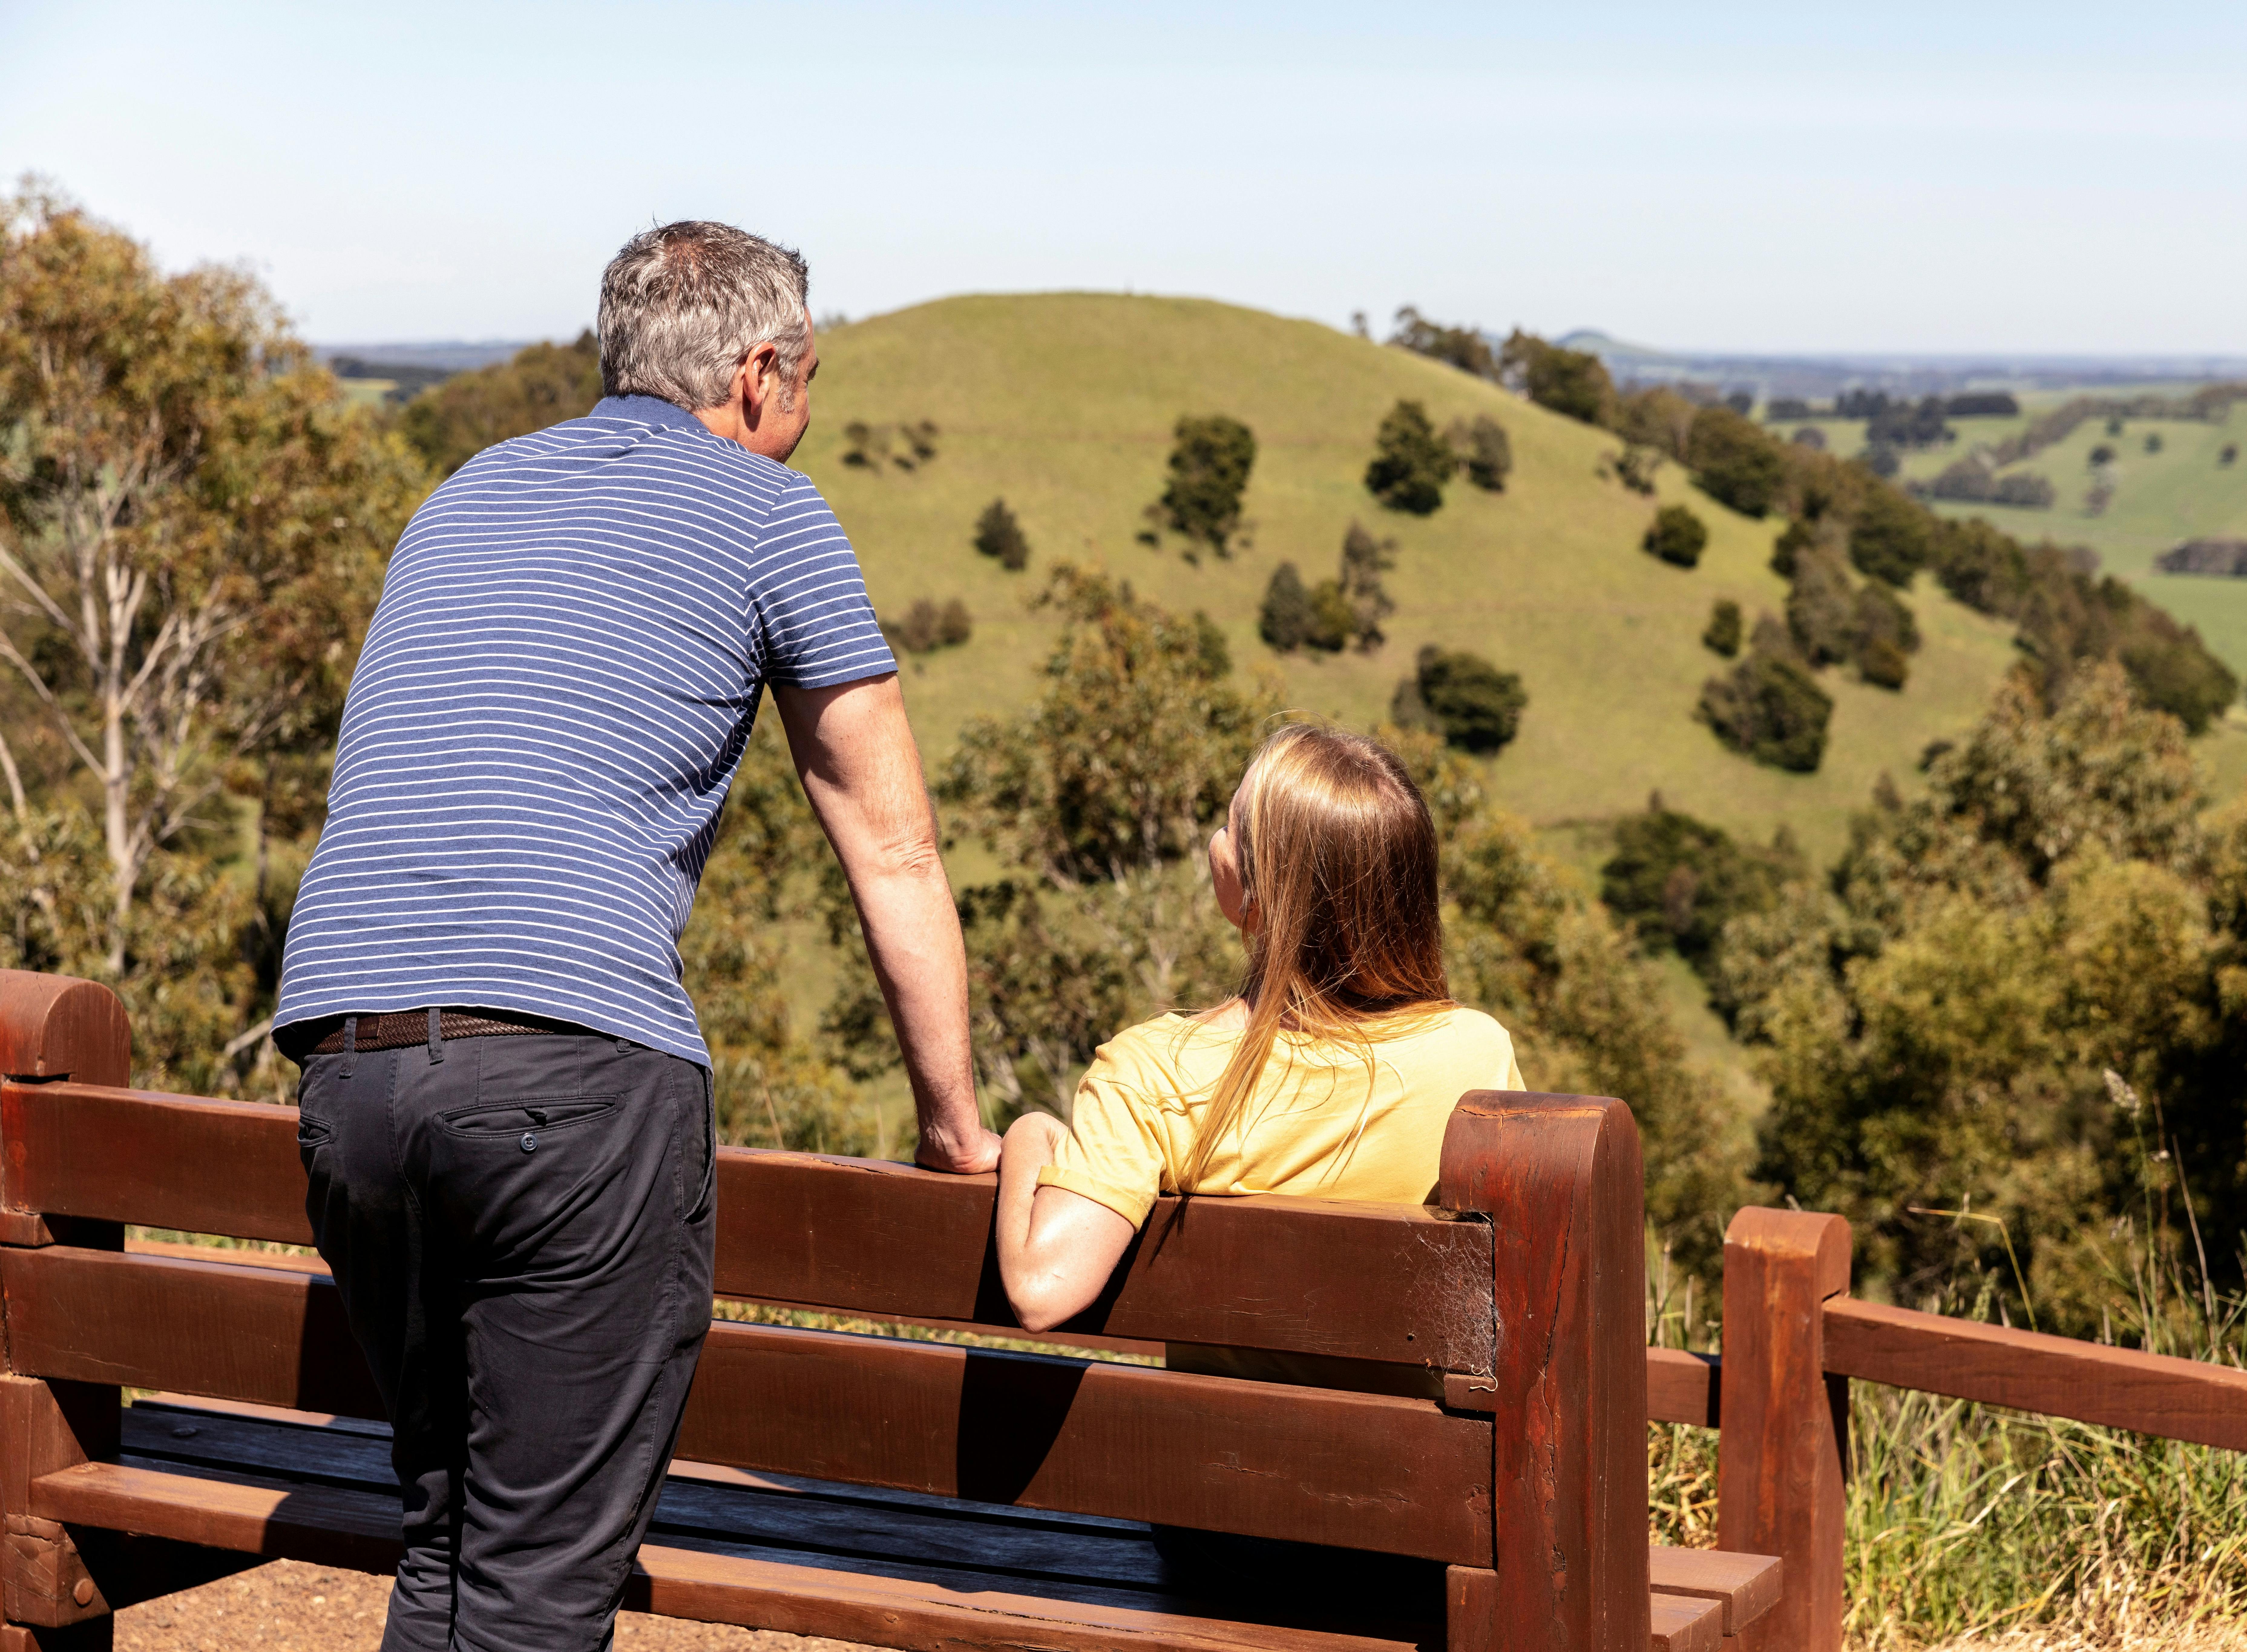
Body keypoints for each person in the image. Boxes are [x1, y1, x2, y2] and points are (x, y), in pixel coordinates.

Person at [272, 221, 1000, 1652]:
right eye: (810, 376)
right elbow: (893, 839)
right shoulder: (770, 510)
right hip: (567, 1080)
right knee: (540, 1587)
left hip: (345, 1063)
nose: (809, 408)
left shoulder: (467, 487)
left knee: (451, 1543)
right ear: (754, 375)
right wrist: (955, 1124)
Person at [993, 722, 1523, 1384]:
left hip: (1212, 1473)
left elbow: (1043, 1290)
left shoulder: (1157, 1071)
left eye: (1228, 826)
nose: (1215, 842)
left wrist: (1029, 1136)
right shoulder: (1475, 1053)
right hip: (1416, 1477)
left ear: (1253, 885)